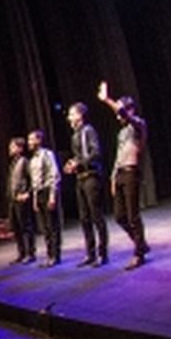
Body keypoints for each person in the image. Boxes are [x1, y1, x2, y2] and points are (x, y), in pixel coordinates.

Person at [99, 81, 151, 269]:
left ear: (130, 110)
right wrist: (113, 177)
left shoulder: (139, 124)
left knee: (133, 215)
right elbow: (119, 155)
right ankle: (142, 244)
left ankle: (139, 254)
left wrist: (107, 100)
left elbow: (124, 115)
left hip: (131, 173)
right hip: (120, 174)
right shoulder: (121, 132)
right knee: (119, 216)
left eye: (121, 110)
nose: (117, 115)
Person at [65, 103, 108, 267]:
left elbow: (96, 153)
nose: (69, 117)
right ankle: (90, 254)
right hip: (80, 178)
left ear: (80, 115)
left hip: (91, 177)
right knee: (84, 218)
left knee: (96, 216)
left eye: (71, 114)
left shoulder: (88, 130)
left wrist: (80, 163)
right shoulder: (74, 135)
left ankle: (102, 254)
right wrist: (72, 164)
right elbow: (79, 156)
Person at [27, 129, 61, 267]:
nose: (29, 142)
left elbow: (54, 175)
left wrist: (52, 196)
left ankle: (55, 255)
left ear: (39, 140)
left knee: (52, 225)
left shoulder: (47, 154)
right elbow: (34, 182)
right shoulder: (32, 159)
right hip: (39, 193)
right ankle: (49, 255)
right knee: (45, 227)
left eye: (31, 139)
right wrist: (35, 199)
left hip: (48, 191)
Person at [5, 136, 35, 265]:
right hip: (13, 199)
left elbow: (32, 179)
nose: (10, 149)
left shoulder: (24, 161)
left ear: (19, 148)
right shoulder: (13, 162)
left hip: (21, 198)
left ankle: (30, 253)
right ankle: (21, 253)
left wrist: (27, 193)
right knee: (17, 227)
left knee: (25, 227)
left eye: (12, 146)